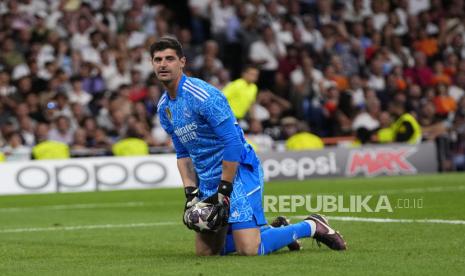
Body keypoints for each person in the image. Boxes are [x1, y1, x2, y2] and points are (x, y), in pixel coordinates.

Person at [150, 36, 346, 256]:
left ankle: (311, 225)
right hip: (207, 178)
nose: (163, 64)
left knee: (249, 249)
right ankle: (271, 231)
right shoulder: (164, 107)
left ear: (182, 62)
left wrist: (225, 188)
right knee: (206, 253)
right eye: (158, 59)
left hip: (238, 171)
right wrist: (190, 193)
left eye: (169, 59)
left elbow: (232, 142)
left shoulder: (204, 96)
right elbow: (183, 151)